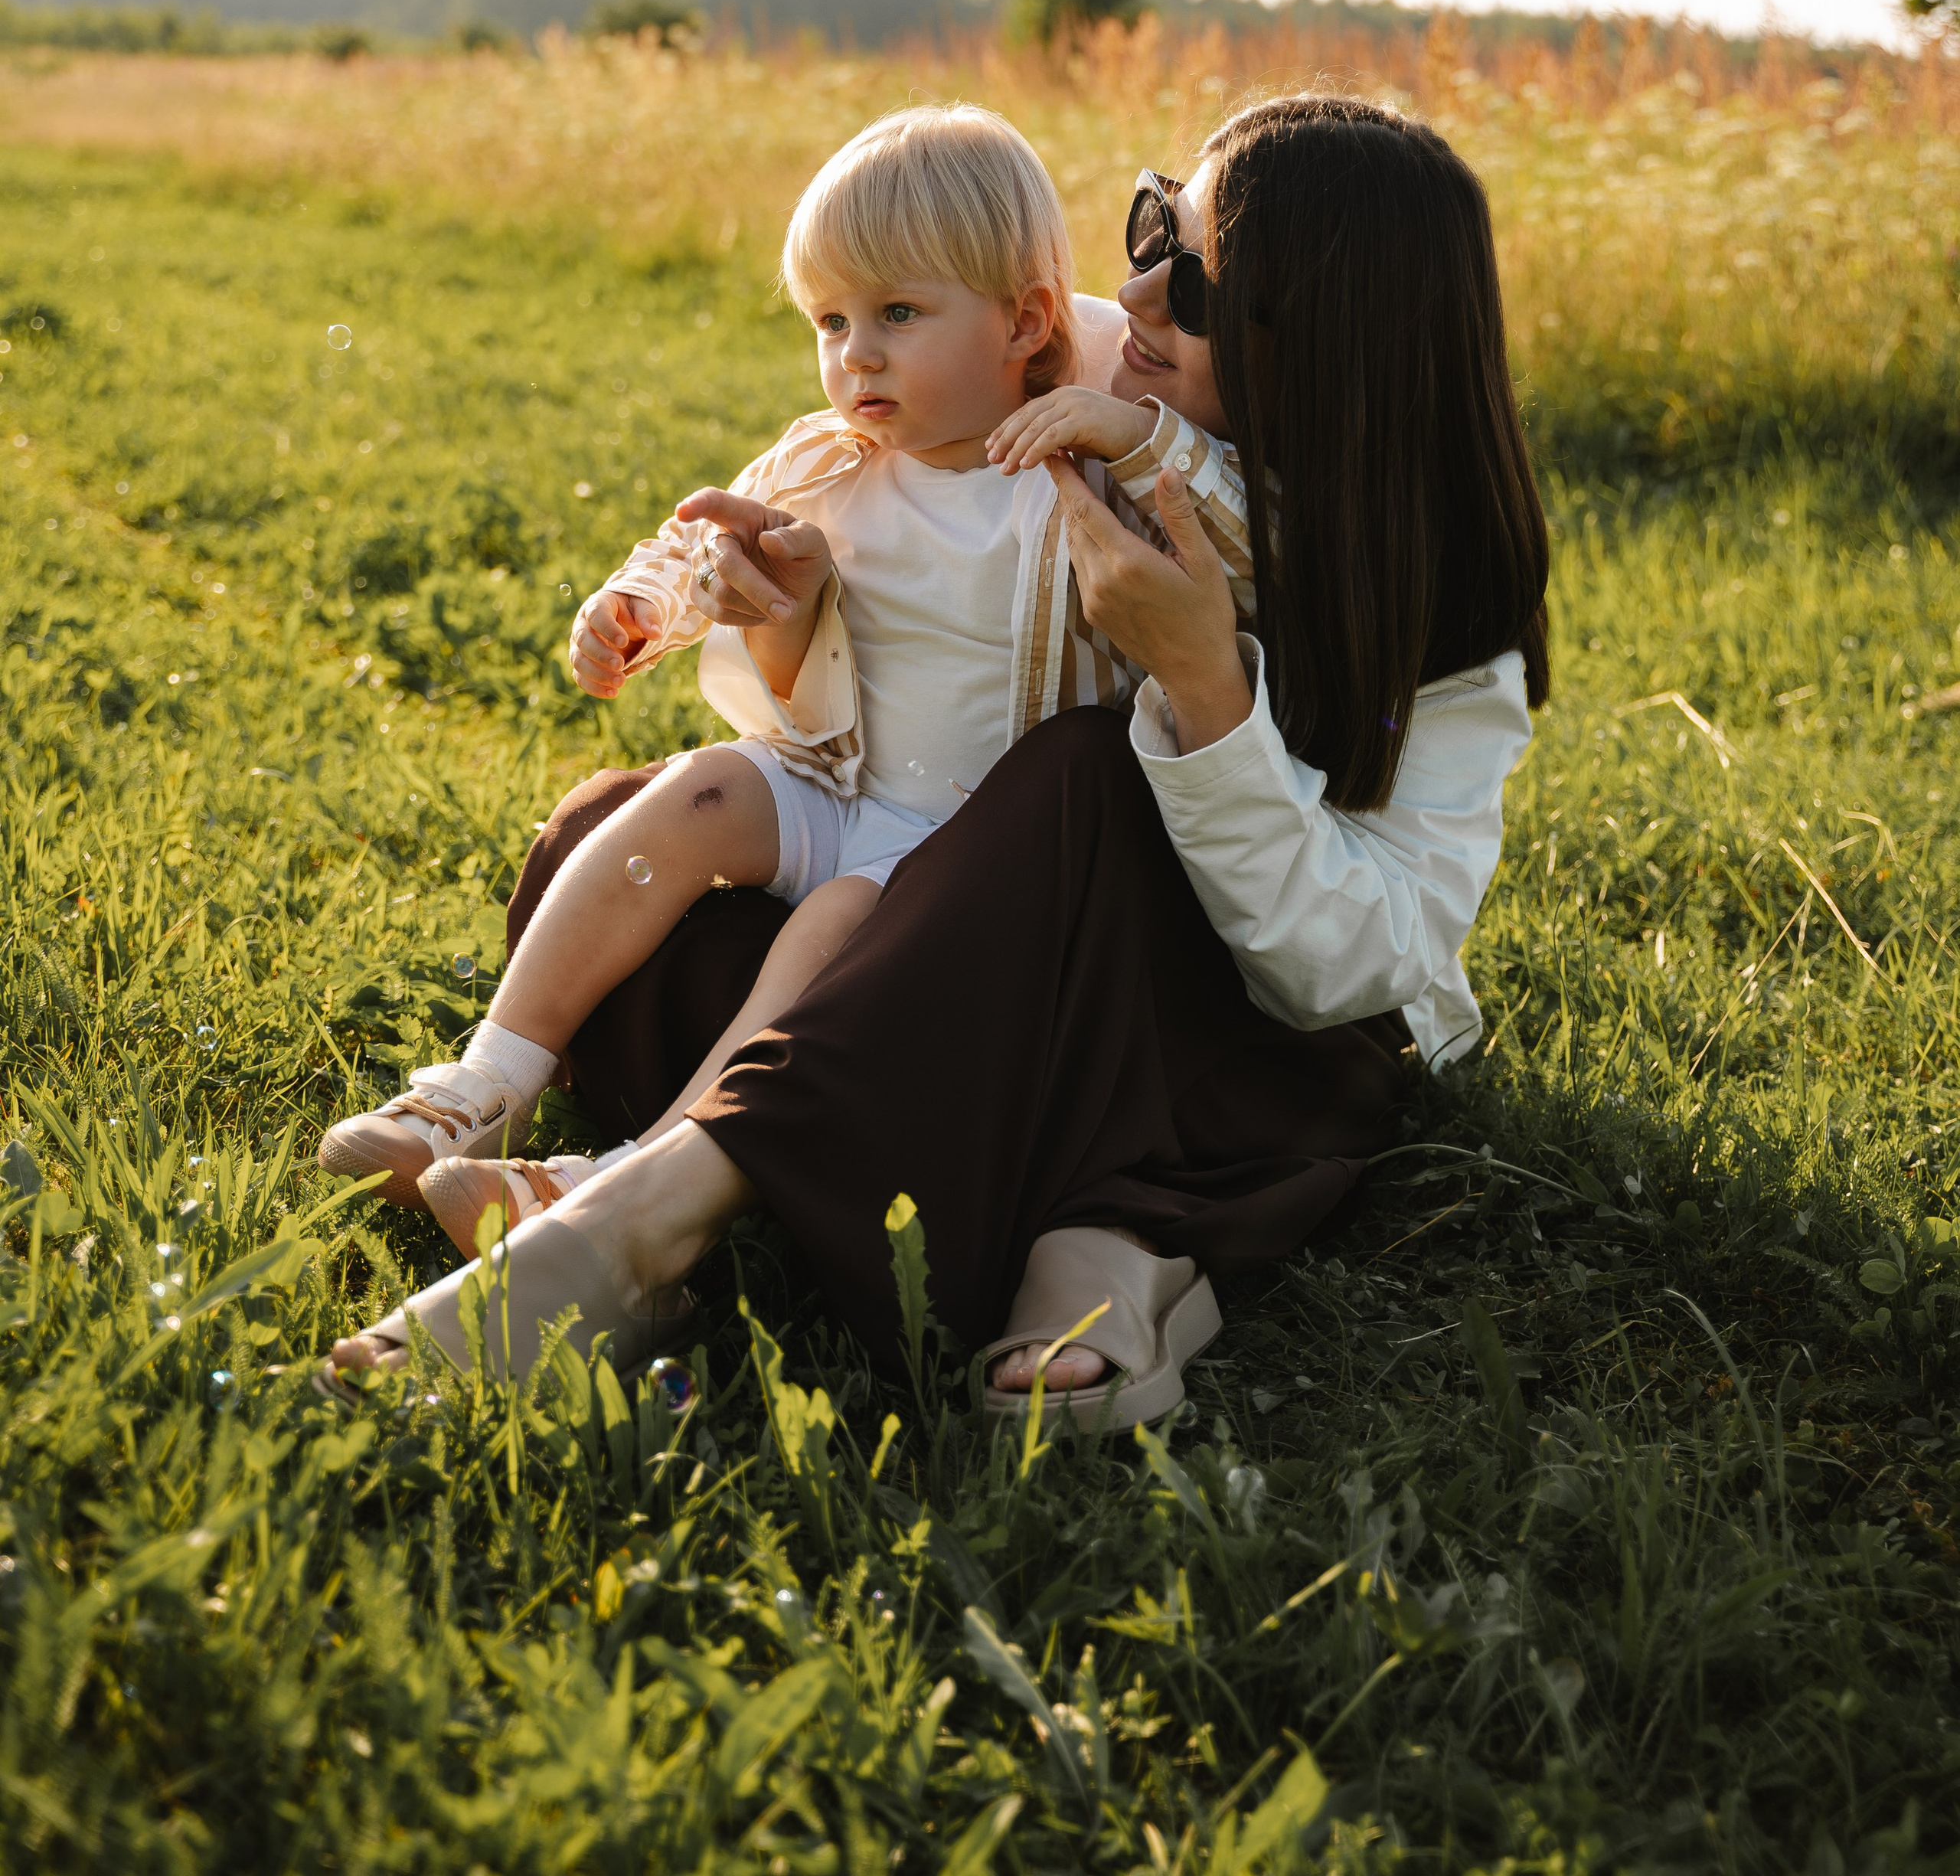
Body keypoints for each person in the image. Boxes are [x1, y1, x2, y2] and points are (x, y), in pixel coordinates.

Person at [326, 93, 1549, 1429]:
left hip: (1226, 1021)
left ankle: (641, 1223)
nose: (1134, 280)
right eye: (1153, 225)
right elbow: (892, 672)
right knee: (616, 831)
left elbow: (1357, 972)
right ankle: (885, 1184)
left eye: (1191, 274)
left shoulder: (1414, 590)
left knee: (1079, 777)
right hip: (980, 950)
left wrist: (1201, 680)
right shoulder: (1059, 375)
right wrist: (787, 619)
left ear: (1307, 344)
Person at [318, 101, 1254, 1263]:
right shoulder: (829, 455)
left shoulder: (1078, 469)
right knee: (695, 793)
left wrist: (1132, 436)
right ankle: (483, 1079)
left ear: (1025, 319)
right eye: (831, 318)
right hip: (837, 781)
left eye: (898, 314)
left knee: (825, 934)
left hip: (965, 853)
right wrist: (639, 607)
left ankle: (620, 1179)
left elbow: (1245, 542)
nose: (854, 354)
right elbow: (709, 532)